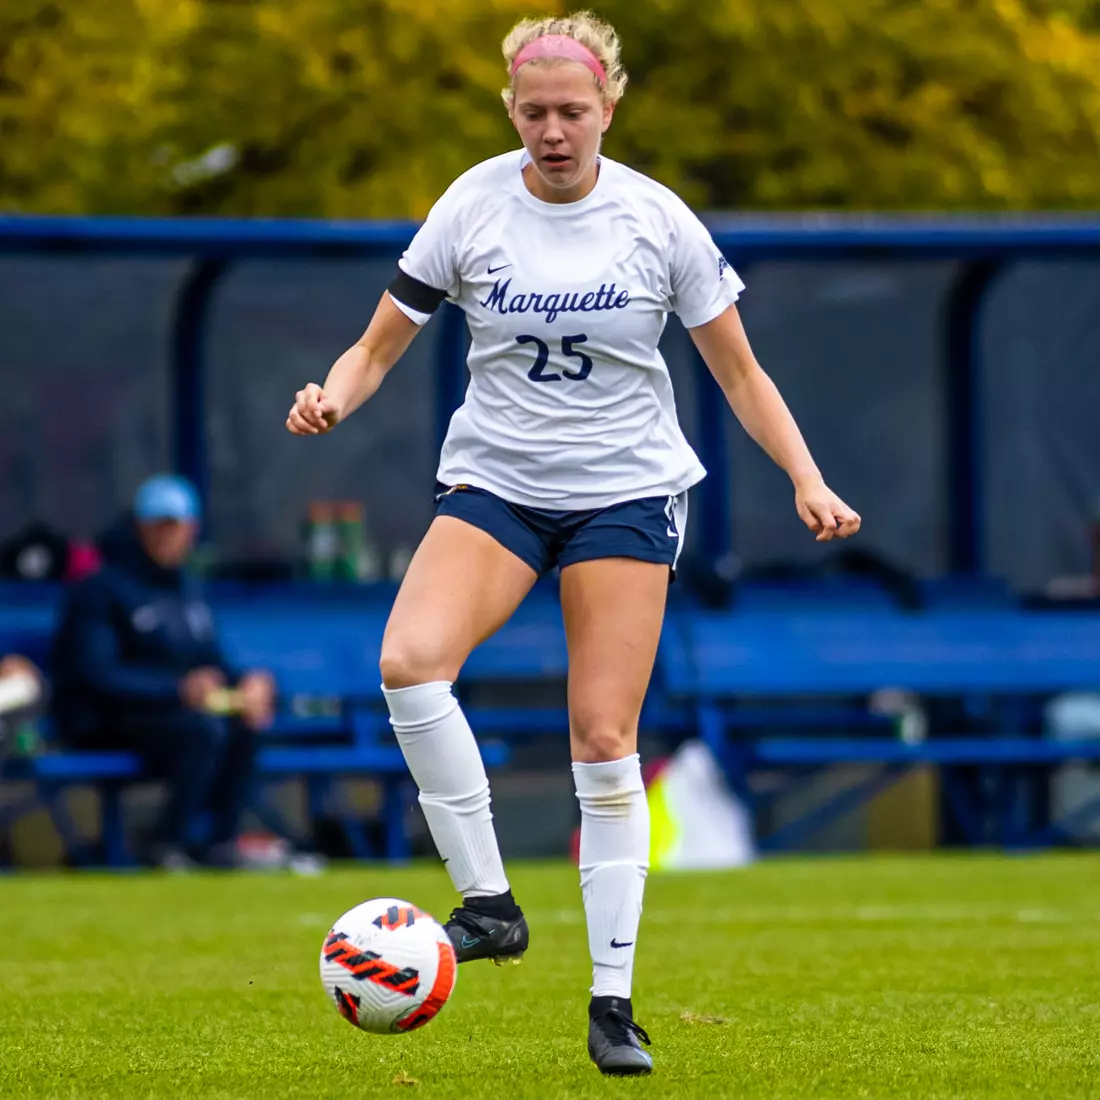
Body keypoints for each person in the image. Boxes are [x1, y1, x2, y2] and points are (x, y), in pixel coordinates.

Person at [286, 11, 860, 1076]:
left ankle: (611, 1004)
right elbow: (377, 347)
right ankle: (489, 904)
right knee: (408, 662)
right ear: (509, 110)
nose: (553, 131)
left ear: (609, 108)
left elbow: (739, 373)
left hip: (624, 493)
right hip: (498, 484)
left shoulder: (655, 219)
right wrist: (332, 395)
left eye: (572, 112)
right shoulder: (471, 203)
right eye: (534, 112)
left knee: (602, 738)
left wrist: (806, 476)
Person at [50, 474, 276, 870]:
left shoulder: (186, 590)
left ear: (192, 529)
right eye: (159, 526)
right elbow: (93, 673)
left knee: (244, 725)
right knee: (202, 730)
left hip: (174, 716)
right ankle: (166, 844)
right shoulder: (100, 589)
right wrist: (176, 690)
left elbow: (210, 662)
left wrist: (248, 684)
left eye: (177, 526)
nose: (169, 536)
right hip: (107, 720)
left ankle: (219, 842)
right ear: (139, 527)